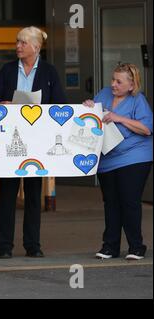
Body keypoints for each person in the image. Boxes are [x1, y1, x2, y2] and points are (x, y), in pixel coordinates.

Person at [0, 26, 66, 259]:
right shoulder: (8, 69)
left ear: (36, 47)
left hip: (37, 140)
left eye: (22, 42)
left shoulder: (49, 72)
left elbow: (60, 104)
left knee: (33, 194)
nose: (17, 46)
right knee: (8, 194)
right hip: (10, 139)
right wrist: (4, 103)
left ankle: (33, 245)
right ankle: (4, 247)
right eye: (17, 42)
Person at [83, 63, 152, 260]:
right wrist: (89, 107)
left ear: (131, 85)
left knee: (129, 201)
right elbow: (94, 117)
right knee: (111, 202)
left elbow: (146, 129)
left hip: (134, 156)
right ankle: (110, 247)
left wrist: (119, 118)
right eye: (112, 79)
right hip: (107, 157)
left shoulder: (138, 100)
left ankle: (136, 247)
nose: (113, 84)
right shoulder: (104, 94)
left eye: (118, 81)